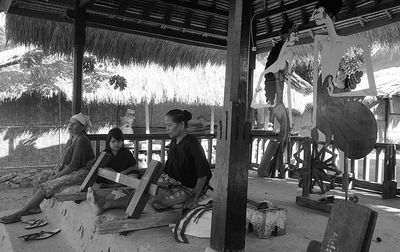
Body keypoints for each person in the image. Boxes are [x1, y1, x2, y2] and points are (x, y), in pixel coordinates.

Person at [87, 109, 212, 215]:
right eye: (166, 125)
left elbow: (203, 173)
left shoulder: (192, 144)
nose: (166, 128)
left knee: (152, 197)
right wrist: (145, 172)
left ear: (182, 125)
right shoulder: (174, 142)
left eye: (170, 125)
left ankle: (107, 204)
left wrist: (195, 195)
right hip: (173, 183)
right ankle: (106, 202)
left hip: (189, 188)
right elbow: (169, 167)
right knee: (143, 185)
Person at [0, 113, 95, 224]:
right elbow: (62, 161)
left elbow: (73, 167)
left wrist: (54, 177)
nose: (70, 126)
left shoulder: (82, 141)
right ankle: (35, 208)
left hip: (83, 174)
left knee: (48, 184)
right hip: (72, 170)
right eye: (70, 123)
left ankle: (20, 213)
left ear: (82, 127)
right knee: (40, 178)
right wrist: (53, 173)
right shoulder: (72, 140)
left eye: (74, 124)